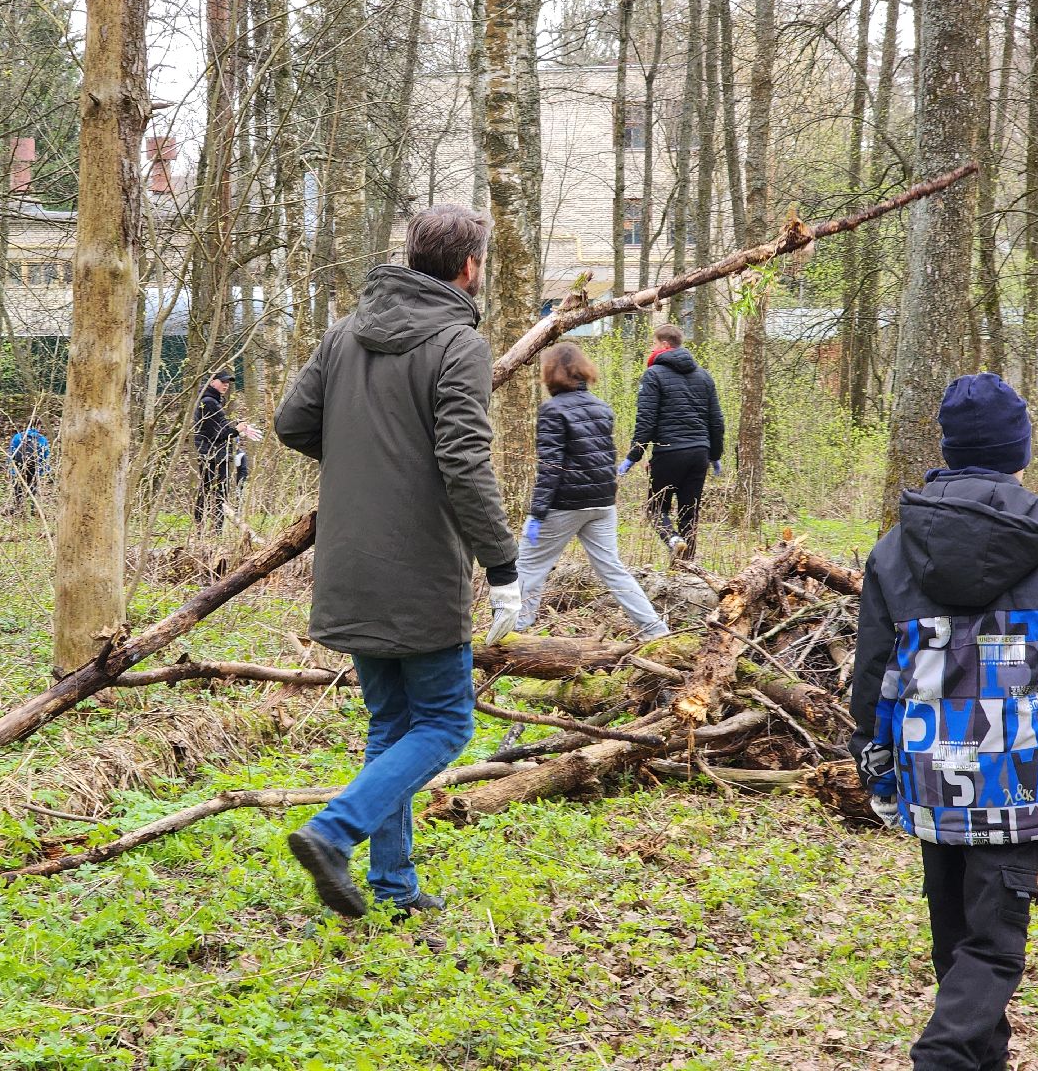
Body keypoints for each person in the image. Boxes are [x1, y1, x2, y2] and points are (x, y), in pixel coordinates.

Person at [848, 373, 1038, 1071]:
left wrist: (874, 763)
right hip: (1017, 778)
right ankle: (941, 1058)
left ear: (951, 446)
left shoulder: (895, 545)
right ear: (1016, 451)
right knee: (992, 947)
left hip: (927, 773)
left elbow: (875, 671)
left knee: (958, 942)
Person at [274, 203, 520, 918]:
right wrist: (502, 565)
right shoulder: (457, 343)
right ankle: (333, 829)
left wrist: (362, 463)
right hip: (417, 571)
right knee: (446, 724)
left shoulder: (346, 332)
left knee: (391, 727)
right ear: (469, 267)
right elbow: (465, 465)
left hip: (349, 563)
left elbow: (293, 423)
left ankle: (394, 886)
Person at [515, 342, 668, 640]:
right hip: (602, 503)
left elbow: (551, 466)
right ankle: (655, 630)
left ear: (550, 375)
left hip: (565, 503)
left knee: (529, 566)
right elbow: (606, 456)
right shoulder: (602, 407)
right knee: (613, 569)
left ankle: (515, 631)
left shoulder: (551, 410)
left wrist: (537, 513)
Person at [619, 323, 724, 561]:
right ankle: (687, 568)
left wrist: (632, 457)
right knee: (689, 513)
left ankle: (674, 540)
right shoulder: (704, 375)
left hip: (669, 452)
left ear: (664, 345)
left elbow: (646, 420)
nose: (652, 349)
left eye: (654, 344)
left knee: (655, 509)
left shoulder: (653, 374)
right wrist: (715, 455)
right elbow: (716, 420)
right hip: (699, 453)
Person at [193, 369, 259, 531]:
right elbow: (218, 433)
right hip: (213, 455)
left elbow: (220, 427)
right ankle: (212, 532)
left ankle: (205, 530)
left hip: (215, 454)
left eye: (228, 383)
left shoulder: (212, 401)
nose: (226, 385)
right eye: (223, 382)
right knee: (216, 493)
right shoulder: (208, 402)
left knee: (210, 491)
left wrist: (239, 429)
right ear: (212, 382)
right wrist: (236, 430)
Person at [7, 427, 50, 515]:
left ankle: (19, 509)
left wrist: (10, 469)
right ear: (39, 426)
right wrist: (45, 471)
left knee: (18, 490)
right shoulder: (42, 439)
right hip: (34, 470)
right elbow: (45, 456)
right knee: (32, 490)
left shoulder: (17, 437)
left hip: (19, 469)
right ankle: (32, 509)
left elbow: (12, 453)